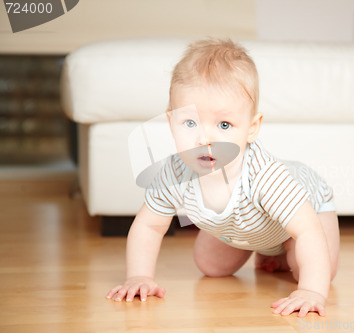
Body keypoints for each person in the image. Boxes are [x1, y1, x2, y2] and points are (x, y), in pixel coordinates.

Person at [106, 38, 340, 317]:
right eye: (190, 123)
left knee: (310, 268)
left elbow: (307, 231)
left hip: (308, 207)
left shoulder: (267, 177)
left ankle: (281, 250)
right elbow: (150, 226)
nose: (204, 139)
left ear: (252, 128)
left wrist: (312, 291)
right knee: (210, 265)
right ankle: (266, 247)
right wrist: (138, 276)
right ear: (171, 123)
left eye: (225, 125)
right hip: (249, 223)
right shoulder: (173, 173)